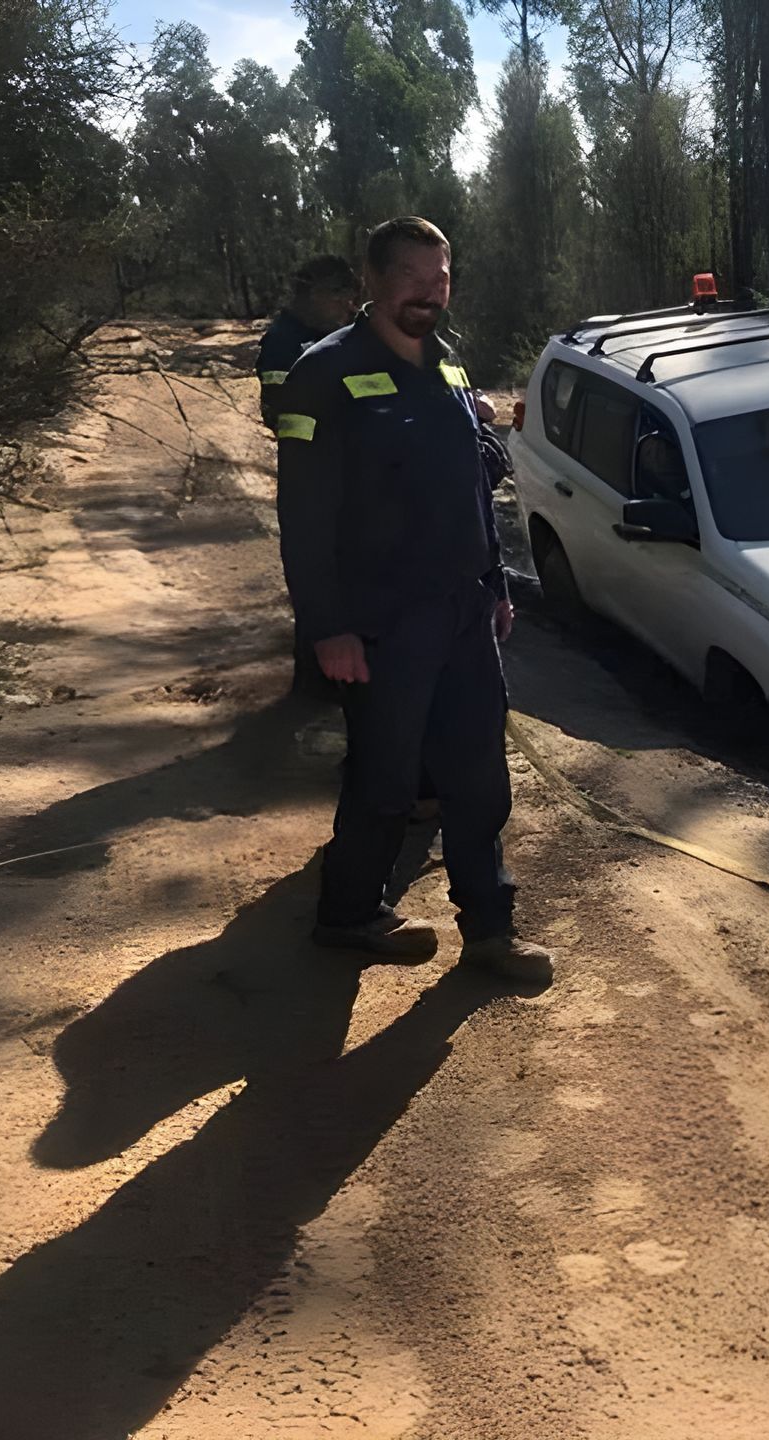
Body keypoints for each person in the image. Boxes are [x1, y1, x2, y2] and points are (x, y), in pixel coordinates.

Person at [272, 216, 552, 982]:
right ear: (373, 281)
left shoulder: (450, 367)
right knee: (386, 782)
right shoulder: (321, 375)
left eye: (442, 279)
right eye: (413, 279)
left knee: (477, 778)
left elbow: (470, 485)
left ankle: (490, 930)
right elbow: (302, 519)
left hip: (463, 613)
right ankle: (349, 914)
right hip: (381, 624)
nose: (431, 295)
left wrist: (495, 585)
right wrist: (327, 628)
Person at [256, 256, 360, 433]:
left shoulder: (344, 332)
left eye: (349, 297)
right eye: (338, 295)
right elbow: (281, 415)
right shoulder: (281, 343)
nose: (347, 306)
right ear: (313, 294)